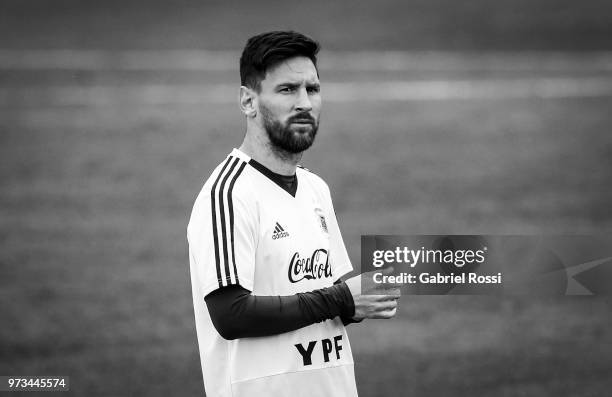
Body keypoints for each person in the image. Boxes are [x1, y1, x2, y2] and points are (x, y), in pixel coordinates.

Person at [187, 30, 399, 397]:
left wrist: (361, 300)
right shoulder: (229, 194)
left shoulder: (315, 189)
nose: (305, 103)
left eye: (312, 89)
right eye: (287, 90)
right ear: (248, 102)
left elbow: (323, 297)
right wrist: (342, 299)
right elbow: (230, 314)